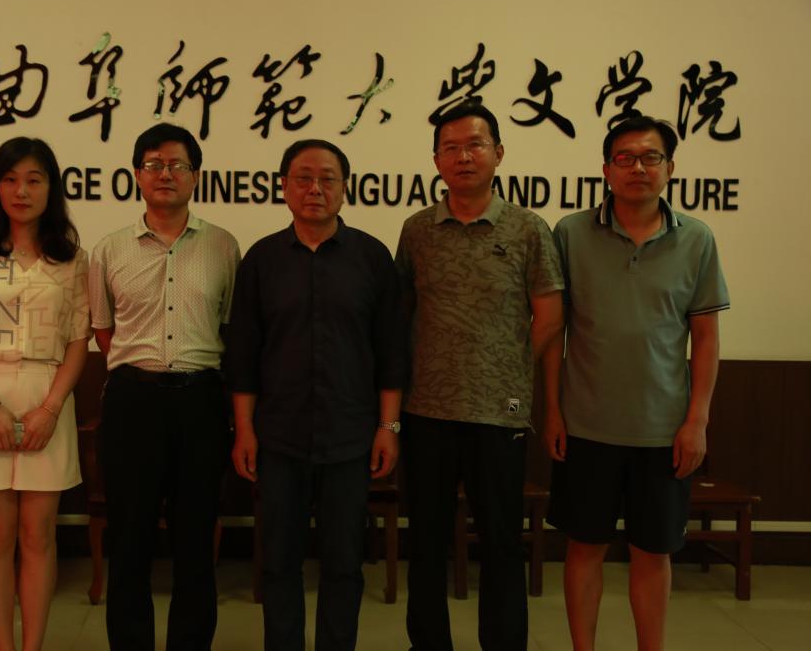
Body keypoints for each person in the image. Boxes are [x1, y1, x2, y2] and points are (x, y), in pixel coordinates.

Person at [544, 116, 729, 651]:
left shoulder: (696, 238)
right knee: (585, 548)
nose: (638, 168)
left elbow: (706, 338)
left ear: (670, 168)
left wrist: (697, 421)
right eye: (624, 158)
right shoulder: (571, 233)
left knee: (653, 551)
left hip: (663, 430)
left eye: (651, 157)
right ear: (606, 170)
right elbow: (554, 332)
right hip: (586, 425)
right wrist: (552, 410)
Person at [396, 102, 564, 651]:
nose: (463, 156)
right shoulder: (417, 231)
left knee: (500, 542)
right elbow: (403, 313)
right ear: (436, 161)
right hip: (426, 411)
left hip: (500, 412)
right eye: (451, 147)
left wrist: (506, 362)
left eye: (475, 144)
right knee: (426, 542)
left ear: (498, 153)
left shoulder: (528, 228)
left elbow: (550, 314)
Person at [227, 138, 405, 651]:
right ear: (283, 186)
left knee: (344, 563)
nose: (315, 189)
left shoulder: (372, 257)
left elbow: (392, 350)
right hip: (278, 436)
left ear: (345, 188)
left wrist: (388, 426)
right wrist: (244, 430)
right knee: (279, 561)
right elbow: (243, 353)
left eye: (328, 178)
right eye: (303, 178)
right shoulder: (261, 260)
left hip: (351, 437)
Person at [89, 122, 239, 650]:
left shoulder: (223, 246)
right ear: (136, 175)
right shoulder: (109, 250)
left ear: (196, 176)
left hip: (201, 402)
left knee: (195, 541)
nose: (165, 174)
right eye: (154, 165)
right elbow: (104, 329)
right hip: (132, 403)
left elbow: (228, 325)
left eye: (177, 165)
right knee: (129, 541)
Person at [0, 137, 89, 651]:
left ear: (52, 188)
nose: (21, 191)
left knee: (38, 534)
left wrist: (51, 408)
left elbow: (78, 339)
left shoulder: (72, 259)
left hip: (49, 396)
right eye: (10, 179)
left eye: (33, 179)